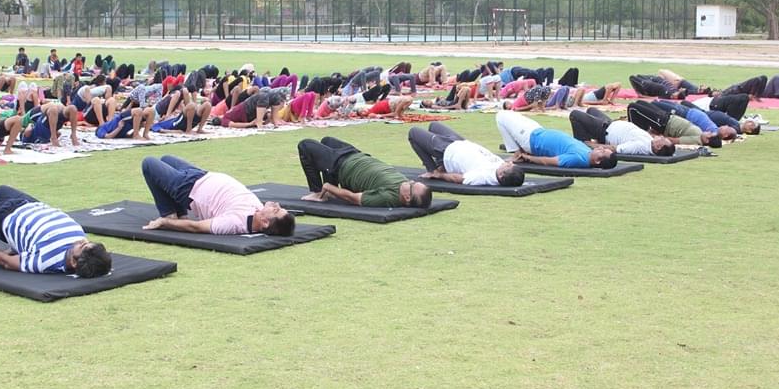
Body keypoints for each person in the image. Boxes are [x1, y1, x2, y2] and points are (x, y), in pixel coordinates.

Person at [0, 185, 111, 276]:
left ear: (74, 263)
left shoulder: (45, 262)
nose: (82, 240)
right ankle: (15, 246)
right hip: (33, 205)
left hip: (6, 216)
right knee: (1, 190)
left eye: (82, 246)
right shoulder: (86, 249)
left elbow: (7, 262)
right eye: (87, 242)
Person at [140, 155, 295, 235]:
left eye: (276, 210)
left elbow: (197, 227)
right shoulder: (259, 210)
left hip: (189, 188)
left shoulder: (234, 223)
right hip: (201, 175)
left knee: (149, 163)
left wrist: (165, 222)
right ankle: (179, 213)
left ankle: (170, 214)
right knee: (166, 158)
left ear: (265, 222)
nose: (276, 205)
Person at [296, 137, 432, 207]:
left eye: (412, 185)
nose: (411, 181)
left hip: (342, 165)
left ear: (407, 198)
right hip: (356, 155)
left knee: (305, 145)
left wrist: (328, 187)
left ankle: (318, 192)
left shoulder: (388, 198)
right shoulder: (403, 185)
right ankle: (328, 189)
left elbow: (353, 198)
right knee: (327, 140)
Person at [408, 122, 524, 186]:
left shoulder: (484, 177)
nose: (508, 162)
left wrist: (439, 175)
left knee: (413, 133)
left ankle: (432, 169)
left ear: (501, 175)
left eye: (509, 165)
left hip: (447, 150)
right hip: (460, 142)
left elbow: (460, 179)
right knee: (434, 125)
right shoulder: (501, 169)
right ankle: (439, 164)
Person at [496, 110, 617, 169]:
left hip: (532, 140)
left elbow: (548, 161)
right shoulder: (587, 152)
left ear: (597, 161)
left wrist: (527, 157)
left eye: (602, 151)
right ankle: (518, 150)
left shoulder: (578, 159)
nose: (601, 148)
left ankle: (516, 153)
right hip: (538, 131)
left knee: (501, 115)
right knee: (512, 114)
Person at [569, 107, 675, 156]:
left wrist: (591, 145)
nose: (662, 137)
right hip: (611, 124)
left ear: (658, 147)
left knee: (575, 115)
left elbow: (615, 149)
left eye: (663, 140)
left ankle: (581, 146)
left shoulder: (640, 146)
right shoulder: (650, 142)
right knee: (591, 110)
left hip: (605, 131)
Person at [626, 100, 722, 147]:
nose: (708, 132)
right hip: (667, 117)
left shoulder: (695, 140)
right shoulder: (699, 134)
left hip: (663, 123)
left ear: (707, 141)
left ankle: (632, 136)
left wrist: (655, 136)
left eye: (709, 134)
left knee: (633, 107)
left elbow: (674, 140)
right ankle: (641, 132)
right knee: (640, 102)